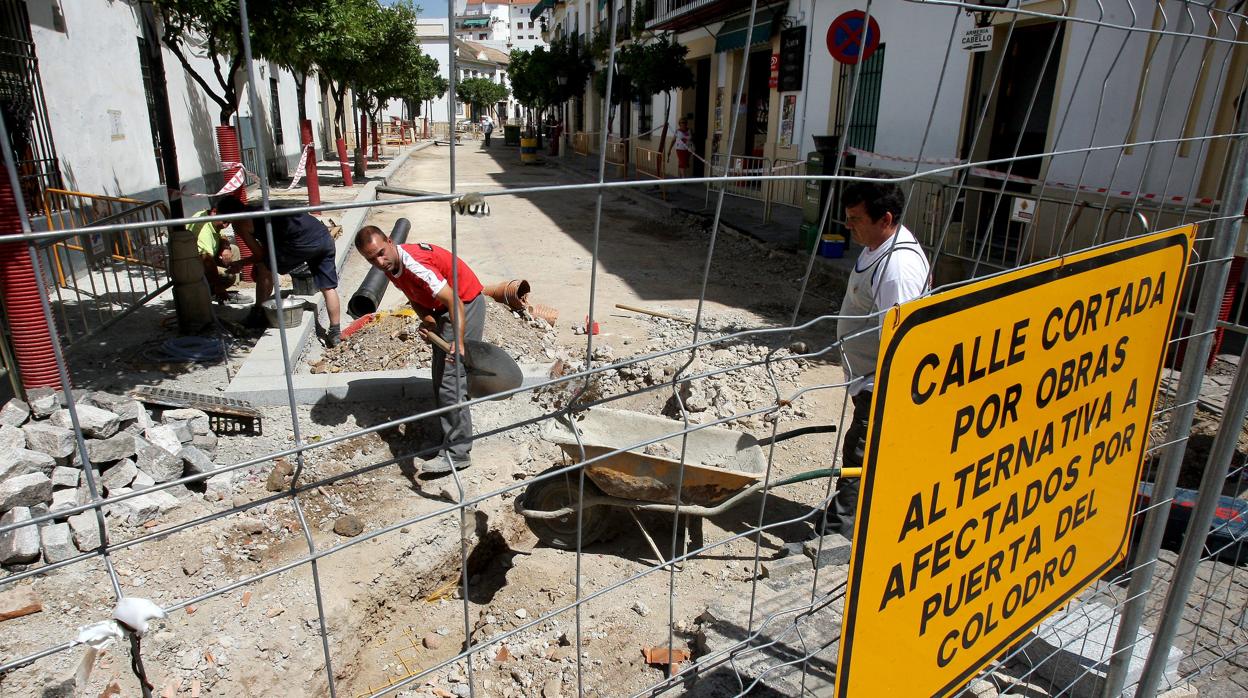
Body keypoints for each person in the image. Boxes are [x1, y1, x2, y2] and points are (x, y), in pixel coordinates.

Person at [822, 171, 930, 539]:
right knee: (861, 453)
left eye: (856, 219)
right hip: (864, 380)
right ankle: (849, 516)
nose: (849, 226)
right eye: (848, 217)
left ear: (885, 219)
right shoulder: (876, 248)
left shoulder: (897, 269)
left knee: (859, 455)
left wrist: (884, 393)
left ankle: (840, 535)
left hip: (880, 386)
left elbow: (901, 342)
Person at [354, 225, 486, 474]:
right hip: (442, 309)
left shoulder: (416, 264)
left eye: (381, 253)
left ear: (391, 241)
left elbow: (453, 300)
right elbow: (412, 294)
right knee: (440, 379)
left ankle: (457, 454)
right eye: (371, 259)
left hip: (464, 304)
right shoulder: (391, 266)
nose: (379, 262)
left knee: (451, 379)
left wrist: (457, 342)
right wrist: (427, 319)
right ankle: (449, 441)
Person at [214, 196, 342, 347]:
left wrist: (241, 263)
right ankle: (335, 331)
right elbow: (268, 247)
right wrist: (243, 262)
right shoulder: (257, 208)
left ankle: (258, 313)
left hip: (300, 242)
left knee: (264, 266)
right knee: (328, 287)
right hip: (322, 235)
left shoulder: (240, 222)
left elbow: (260, 256)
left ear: (226, 215)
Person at [189, 205, 239, 301]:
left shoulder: (207, 216)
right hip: (195, 266)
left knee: (234, 250)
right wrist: (218, 285)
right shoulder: (203, 231)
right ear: (214, 212)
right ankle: (215, 292)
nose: (226, 225)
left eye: (229, 222)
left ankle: (228, 292)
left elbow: (222, 236)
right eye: (225, 220)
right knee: (229, 276)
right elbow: (206, 260)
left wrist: (225, 247)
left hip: (208, 257)